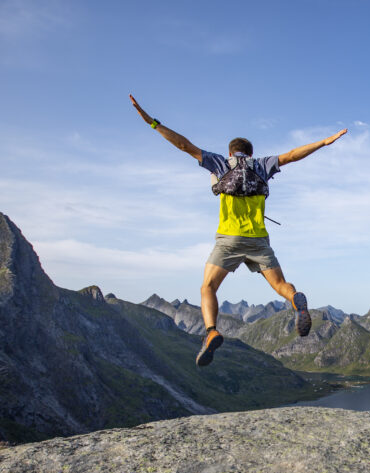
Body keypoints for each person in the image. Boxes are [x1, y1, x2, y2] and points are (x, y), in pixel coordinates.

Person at [130, 94, 347, 366]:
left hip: (229, 239)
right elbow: (292, 155)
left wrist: (152, 122)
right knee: (280, 285)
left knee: (208, 286)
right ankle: (296, 299)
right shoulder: (263, 166)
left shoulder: (220, 164)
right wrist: (323, 143)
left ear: (231, 152)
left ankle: (210, 333)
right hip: (258, 240)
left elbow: (184, 145)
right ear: (251, 153)